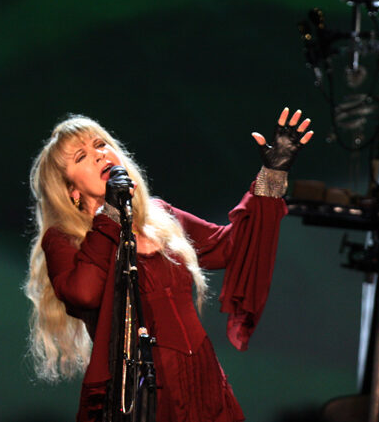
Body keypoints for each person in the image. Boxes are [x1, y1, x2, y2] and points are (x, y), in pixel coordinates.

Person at [24, 108, 313, 421]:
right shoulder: (64, 240)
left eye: (100, 144)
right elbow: (84, 293)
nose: (98, 155)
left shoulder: (159, 215)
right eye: (81, 156)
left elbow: (229, 246)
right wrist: (109, 213)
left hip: (204, 382)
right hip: (142, 397)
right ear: (72, 192)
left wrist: (272, 175)